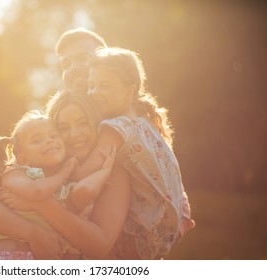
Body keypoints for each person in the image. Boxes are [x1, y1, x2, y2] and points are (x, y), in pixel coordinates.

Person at [66, 47, 196, 259]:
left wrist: (56, 170)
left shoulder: (115, 128)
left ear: (129, 91)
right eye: (92, 85)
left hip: (135, 237)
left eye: (104, 86)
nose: (94, 92)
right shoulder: (146, 123)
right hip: (162, 234)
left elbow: (82, 174)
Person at [0, 109, 117, 259]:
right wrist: (63, 172)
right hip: (15, 255)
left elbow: (87, 191)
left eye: (53, 135)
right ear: (22, 159)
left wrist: (105, 171)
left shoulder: (62, 186)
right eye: (37, 140)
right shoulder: (15, 173)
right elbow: (36, 192)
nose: (49, 141)